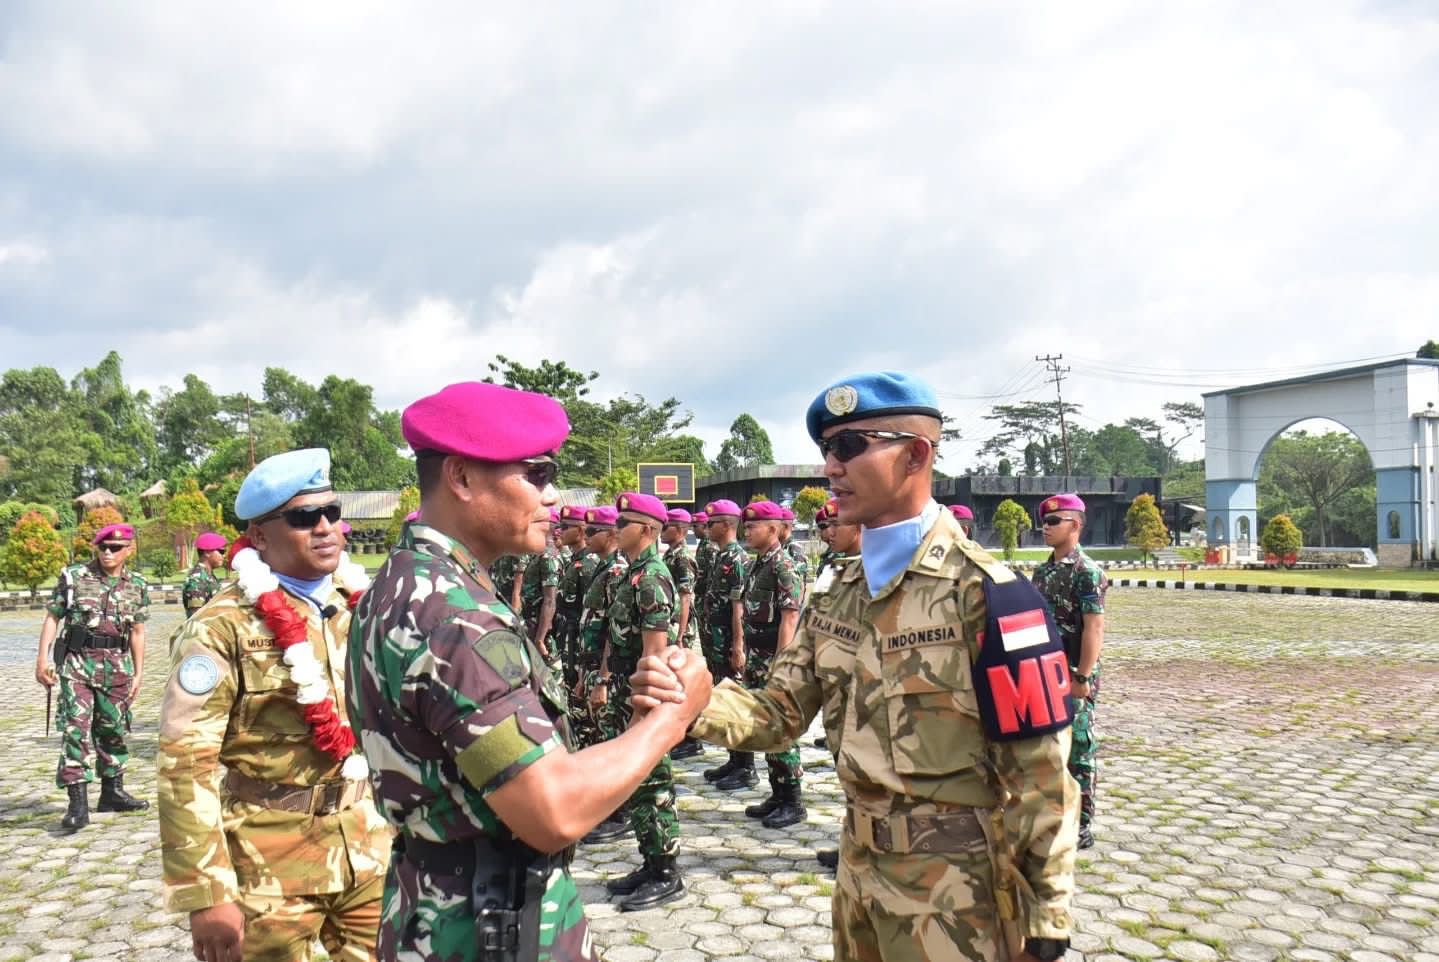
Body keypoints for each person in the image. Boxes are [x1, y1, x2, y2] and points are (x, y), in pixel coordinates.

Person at [632, 372, 1079, 962]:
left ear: (916, 454)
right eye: (826, 451)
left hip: (958, 893)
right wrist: (692, 699)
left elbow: (1040, 773)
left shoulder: (993, 596)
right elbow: (779, 715)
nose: (831, 469)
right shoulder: (839, 592)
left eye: (848, 447)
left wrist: (1045, 914)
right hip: (858, 872)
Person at [347, 383, 711, 961]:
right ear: (462, 479)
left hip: (438, 904)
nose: (553, 497)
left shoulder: (404, 583)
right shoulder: (454, 618)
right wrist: (671, 719)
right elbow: (553, 810)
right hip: (491, 924)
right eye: (536, 476)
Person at [158, 448, 389, 962]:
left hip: (369, 848)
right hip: (269, 863)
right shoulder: (221, 627)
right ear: (259, 535)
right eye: (304, 518)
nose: (326, 527)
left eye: (332, 512)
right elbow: (184, 764)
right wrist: (207, 891)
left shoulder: (362, 605)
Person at [598, 492, 688, 910]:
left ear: (647, 530)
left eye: (623, 523)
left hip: (642, 695)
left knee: (653, 782)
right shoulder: (630, 574)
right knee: (636, 783)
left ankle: (667, 871)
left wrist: (641, 712)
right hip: (621, 687)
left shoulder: (652, 576)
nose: (616, 530)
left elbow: (654, 652)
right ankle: (650, 862)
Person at [34, 522, 150, 832]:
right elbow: (52, 618)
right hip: (78, 665)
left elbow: (138, 631)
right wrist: (42, 658)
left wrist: (139, 673)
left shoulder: (136, 584)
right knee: (76, 730)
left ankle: (112, 792)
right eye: (103, 547)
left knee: (112, 728)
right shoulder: (74, 578)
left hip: (117, 668)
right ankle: (78, 804)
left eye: (116, 548)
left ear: (129, 550)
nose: (108, 553)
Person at [1030, 493, 1107, 851]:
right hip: (1044, 671)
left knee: (1078, 747)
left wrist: (1083, 676)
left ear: (1074, 525)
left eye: (1052, 522)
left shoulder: (1087, 572)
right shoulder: (1043, 572)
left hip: (1074, 672)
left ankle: (1082, 822)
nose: (1044, 528)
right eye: (1043, 522)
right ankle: (1050, 815)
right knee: (1046, 748)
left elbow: (1093, 628)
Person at [737, 500, 806, 829]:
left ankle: (793, 800)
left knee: (780, 726)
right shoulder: (758, 563)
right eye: (746, 526)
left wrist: (782, 665)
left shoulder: (783, 566)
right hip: (756, 657)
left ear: (775, 530)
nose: (747, 531)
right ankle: (777, 793)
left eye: (753, 526)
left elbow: (790, 619)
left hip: (773, 659)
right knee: (765, 724)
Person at [697, 499, 752, 789]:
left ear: (728, 525)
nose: (706, 528)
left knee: (736, 700)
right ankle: (735, 759)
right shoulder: (721, 556)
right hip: (715, 643)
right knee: (724, 699)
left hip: (729, 644)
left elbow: (738, 608)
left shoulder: (738, 559)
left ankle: (746, 766)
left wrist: (738, 646)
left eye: (712, 523)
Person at [662, 507, 704, 761]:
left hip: (680, 628)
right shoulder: (671, 554)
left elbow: (686, 597)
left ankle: (692, 738)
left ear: (678, 530)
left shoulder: (682, 558)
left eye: (667, 526)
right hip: (673, 626)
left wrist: (679, 634)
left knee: (683, 683)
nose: (663, 530)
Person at [555, 504, 594, 695]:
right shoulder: (575, 560)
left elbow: (589, 611)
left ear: (580, 530)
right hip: (566, 634)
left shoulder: (588, 563)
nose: (559, 531)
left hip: (577, 639)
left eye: (564, 527)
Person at [520, 520, 563, 671]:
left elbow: (550, 600)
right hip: (531, 623)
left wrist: (540, 639)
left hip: (540, 628)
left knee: (550, 675)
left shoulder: (548, 556)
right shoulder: (540, 552)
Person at [182, 532, 229, 618]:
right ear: (207, 552)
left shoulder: (208, 575)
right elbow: (196, 616)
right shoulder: (197, 579)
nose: (224, 555)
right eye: (221, 551)